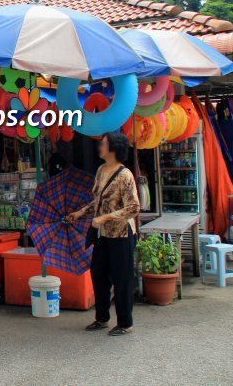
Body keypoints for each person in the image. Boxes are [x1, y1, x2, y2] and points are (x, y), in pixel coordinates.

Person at [68, 131, 140, 336]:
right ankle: (102, 318)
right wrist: (81, 212)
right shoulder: (101, 170)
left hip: (121, 235)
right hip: (102, 235)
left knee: (122, 279)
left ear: (114, 148)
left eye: (104, 143)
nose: (100, 146)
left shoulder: (125, 175)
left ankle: (125, 323)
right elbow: (98, 201)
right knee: (98, 275)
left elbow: (133, 208)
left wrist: (105, 218)